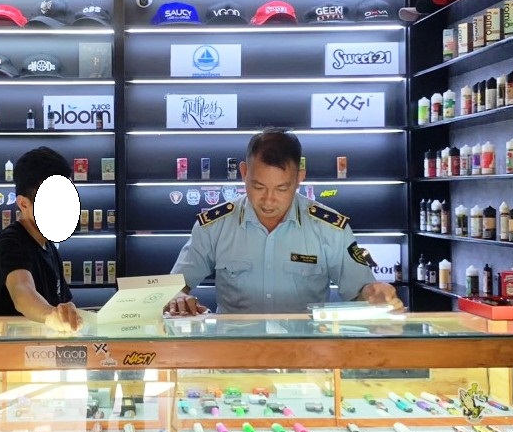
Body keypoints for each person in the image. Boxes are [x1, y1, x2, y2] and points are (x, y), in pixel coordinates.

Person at [168, 129, 402, 315]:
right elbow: (174, 287)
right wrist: (177, 297)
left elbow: (360, 291)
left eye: (282, 188)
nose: (269, 200)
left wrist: (374, 294)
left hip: (307, 351)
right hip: (235, 351)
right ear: (244, 172)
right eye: (258, 186)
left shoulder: (330, 228)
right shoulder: (214, 226)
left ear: (299, 178)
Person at [0, 147, 82, 331]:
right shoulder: (9, 244)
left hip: (43, 347)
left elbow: (62, 301)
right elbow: (22, 292)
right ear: (23, 204)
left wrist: (67, 312)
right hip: (12, 348)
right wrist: (51, 315)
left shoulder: (48, 245)